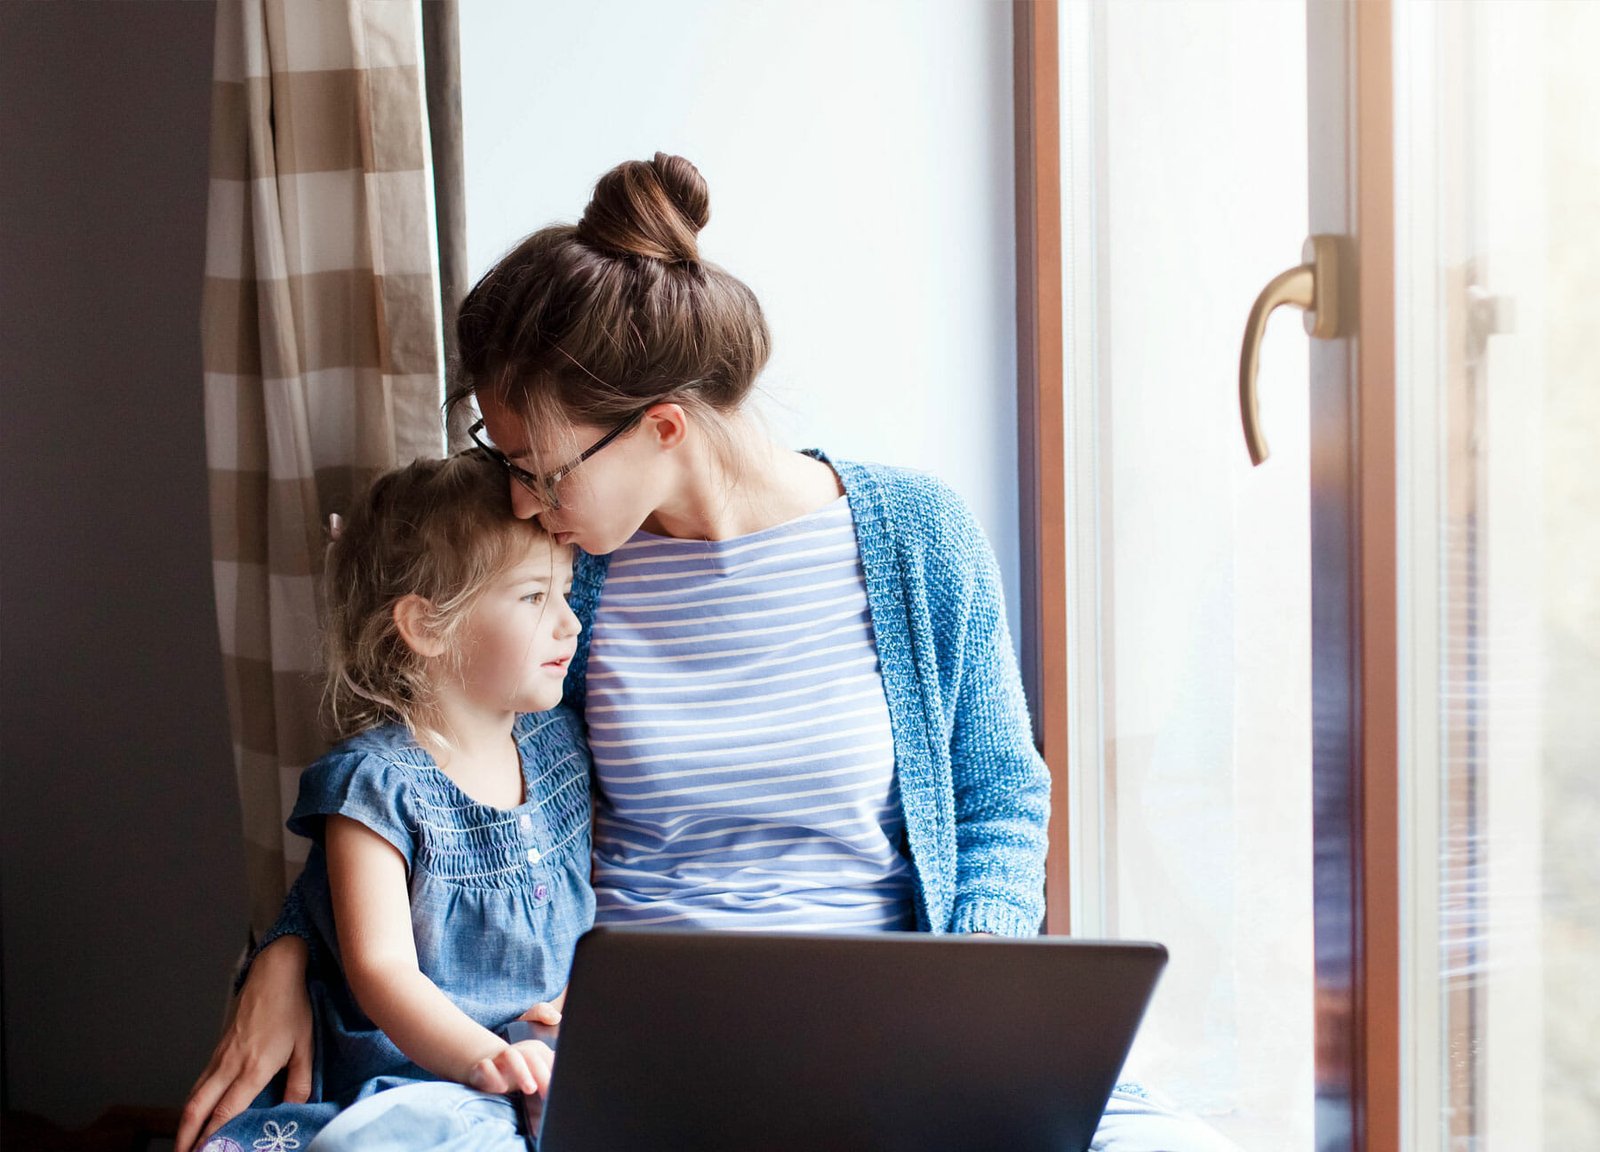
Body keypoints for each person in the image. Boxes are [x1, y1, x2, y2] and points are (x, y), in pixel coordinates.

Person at [185, 152, 1239, 1152]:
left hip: (889, 1028)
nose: (520, 500)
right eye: (501, 462)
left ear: (662, 428)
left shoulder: (919, 537)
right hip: (636, 1045)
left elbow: (1000, 795)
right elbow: (438, 779)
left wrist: (968, 992)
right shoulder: (563, 579)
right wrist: (290, 942)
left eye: (540, 467)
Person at [182, 451, 592, 1152]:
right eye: (533, 598)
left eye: (567, 593)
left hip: (539, 1065)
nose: (569, 624)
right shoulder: (376, 783)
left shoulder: (560, 744)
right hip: (412, 1084)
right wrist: (483, 1058)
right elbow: (382, 971)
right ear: (428, 627)